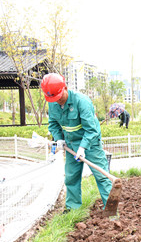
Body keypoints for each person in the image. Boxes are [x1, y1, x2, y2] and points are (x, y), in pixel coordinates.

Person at [41, 73, 119, 216]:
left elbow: (91, 129)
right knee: (71, 176)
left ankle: (111, 211)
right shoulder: (53, 103)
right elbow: (53, 124)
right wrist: (59, 139)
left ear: (64, 88)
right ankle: (73, 208)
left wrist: (83, 147)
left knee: (101, 175)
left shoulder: (82, 101)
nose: (57, 101)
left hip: (90, 143)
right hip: (70, 143)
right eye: (53, 99)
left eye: (58, 97)